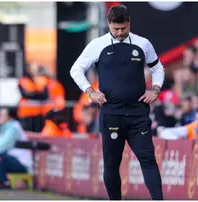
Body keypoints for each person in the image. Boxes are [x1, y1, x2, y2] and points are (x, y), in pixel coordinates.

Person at [70, 5, 164, 200]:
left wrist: (155, 89)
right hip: (111, 114)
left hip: (138, 113)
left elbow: (158, 68)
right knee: (112, 163)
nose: (120, 32)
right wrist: (90, 92)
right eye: (115, 29)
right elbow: (76, 70)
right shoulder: (98, 44)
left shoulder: (143, 43)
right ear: (108, 24)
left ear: (129, 22)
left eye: (123, 28)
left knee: (148, 160)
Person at [0, 107, 32, 189]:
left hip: (21, 164)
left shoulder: (13, 128)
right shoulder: (5, 128)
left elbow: (3, 146)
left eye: (2, 115)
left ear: (10, 117)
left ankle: (5, 183)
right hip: (11, 160)